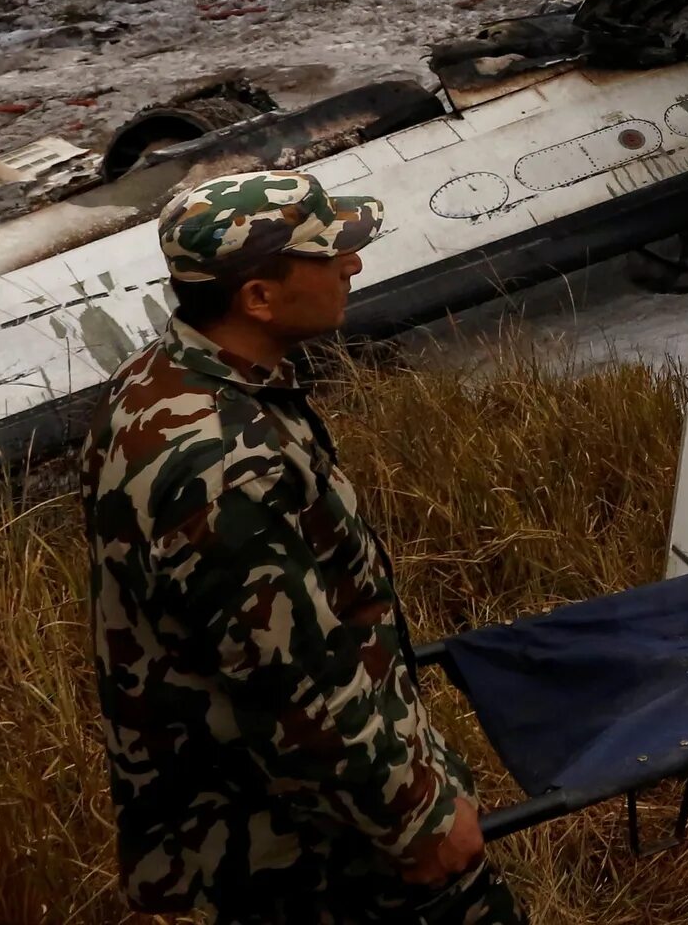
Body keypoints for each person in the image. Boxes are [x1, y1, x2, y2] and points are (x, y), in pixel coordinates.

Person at [82, 171, 514, 920]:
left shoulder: (160, 383)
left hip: (283, 820)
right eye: (329, 255)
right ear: (258, 297)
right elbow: (290, 685)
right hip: (315, 848)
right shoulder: (222, 464)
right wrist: (416, 818)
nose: (352, 265)